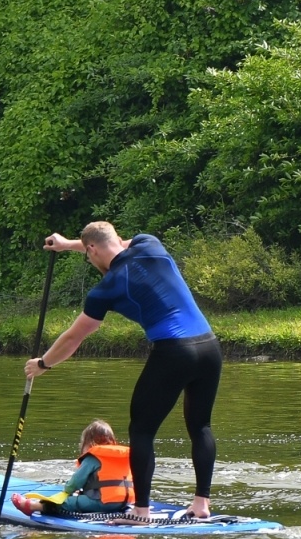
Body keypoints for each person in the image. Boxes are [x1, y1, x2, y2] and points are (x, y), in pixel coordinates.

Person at [26, 222, 220, 521]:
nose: (90, 260)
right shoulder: (149, 242)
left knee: (141, 430)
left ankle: (140, 512)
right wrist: (67, 245)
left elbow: (73, 337)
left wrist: (43, 364)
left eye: (88, 254)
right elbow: (105, 242)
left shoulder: (107, 287)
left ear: (91, 250)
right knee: (200, 427)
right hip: (209, 348)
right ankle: (201, 505)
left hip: (173, 351)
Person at [11, 419, 134, 517]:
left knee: (68, 503)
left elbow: (76, 480)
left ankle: (33, 506)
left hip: (101, 503)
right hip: (125, 503)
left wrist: (68, 490)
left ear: (90, 443)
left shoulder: (93, 457)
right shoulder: (123, 457)